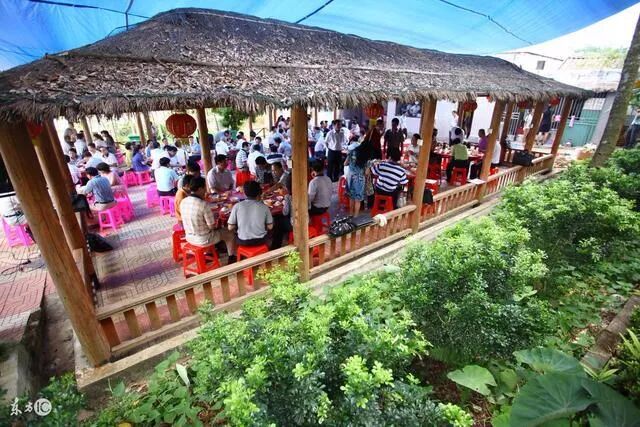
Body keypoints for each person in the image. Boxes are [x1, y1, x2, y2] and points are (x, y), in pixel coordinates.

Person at [181, 176, 236, 262]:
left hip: (189, 237)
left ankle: (213, 250)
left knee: (218, 230)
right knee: (229, 232)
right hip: (203, 239)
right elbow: (212, 227)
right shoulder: (203, 204)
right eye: (204, 188)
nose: (206, 191)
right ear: (200, 189)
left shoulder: (184, 201)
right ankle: (231, 257)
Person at [228, 181, 273, 248]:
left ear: (244, 193)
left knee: (233, 235)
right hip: (261, 240)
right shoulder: (264, 207)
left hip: (243, 241)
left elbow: (230, 227)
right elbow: (270, 227)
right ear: (259, 193)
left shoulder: (237, 206)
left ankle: (234, 253)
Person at [345, 139, 373, 217]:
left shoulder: (352, 152)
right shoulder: (367, 157)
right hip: (359, 178)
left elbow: (345, 163)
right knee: (357, 199)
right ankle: (355, 216)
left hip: (350, 177)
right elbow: (366, 173)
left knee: (351, 197)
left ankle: (350, 214)